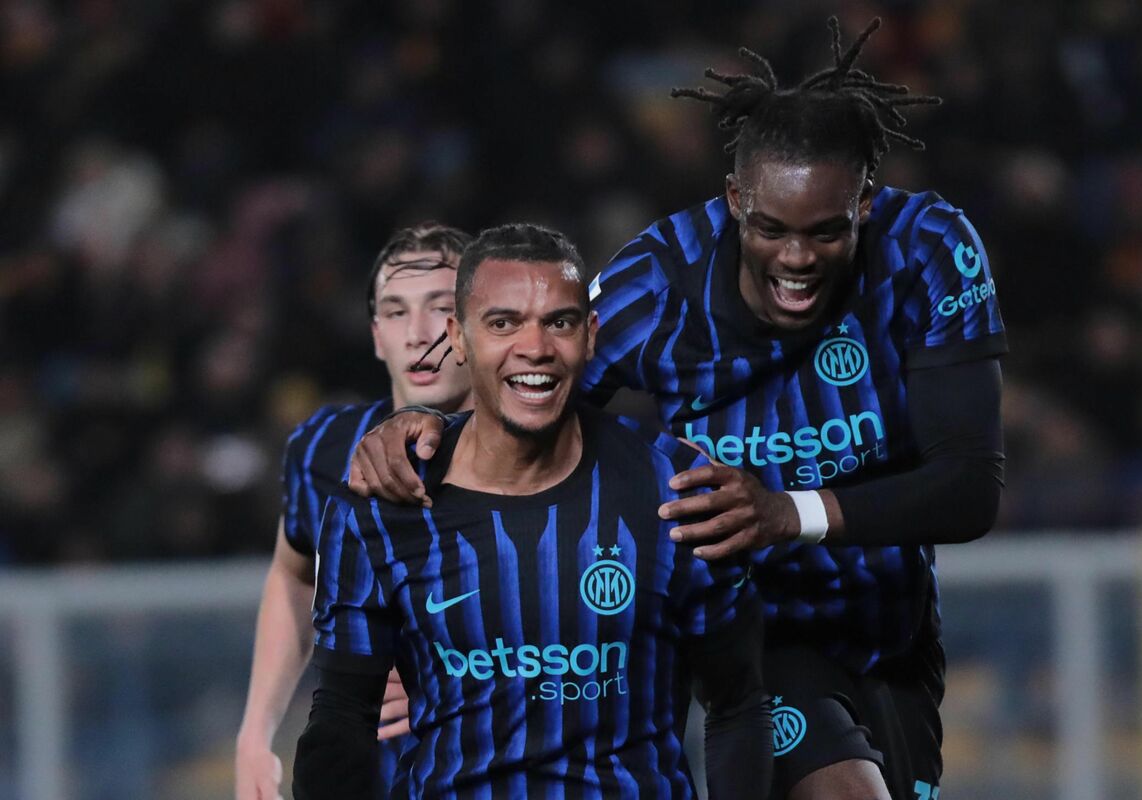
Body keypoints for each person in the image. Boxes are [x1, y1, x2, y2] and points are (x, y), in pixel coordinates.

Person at [349, 18, 1006, 800]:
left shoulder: (929, 249)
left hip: (893, 630)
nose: (797, 259)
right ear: (734, 201)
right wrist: (432, 437)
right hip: (752, 631)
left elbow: (969, 488)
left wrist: (784, 512)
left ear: (864, 204)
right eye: (771, 229)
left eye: (826, 232)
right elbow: (516, 425)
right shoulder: (655, 288)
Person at [293, 224, 772, 799]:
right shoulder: (380, 504)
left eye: (559, 322)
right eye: (503, 323)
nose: (535, 347)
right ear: (458, 338)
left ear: (590, 336)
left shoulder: (677, 488)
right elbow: (342, 719)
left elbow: (738, 704)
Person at [235, 223, 475, 800]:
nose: (418, 334)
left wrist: (446, 675)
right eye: (396, 312)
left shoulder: (535, 448)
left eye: (440, 307)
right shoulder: (321, 448)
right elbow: (294, 574)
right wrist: (255, 733)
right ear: (375, 336)